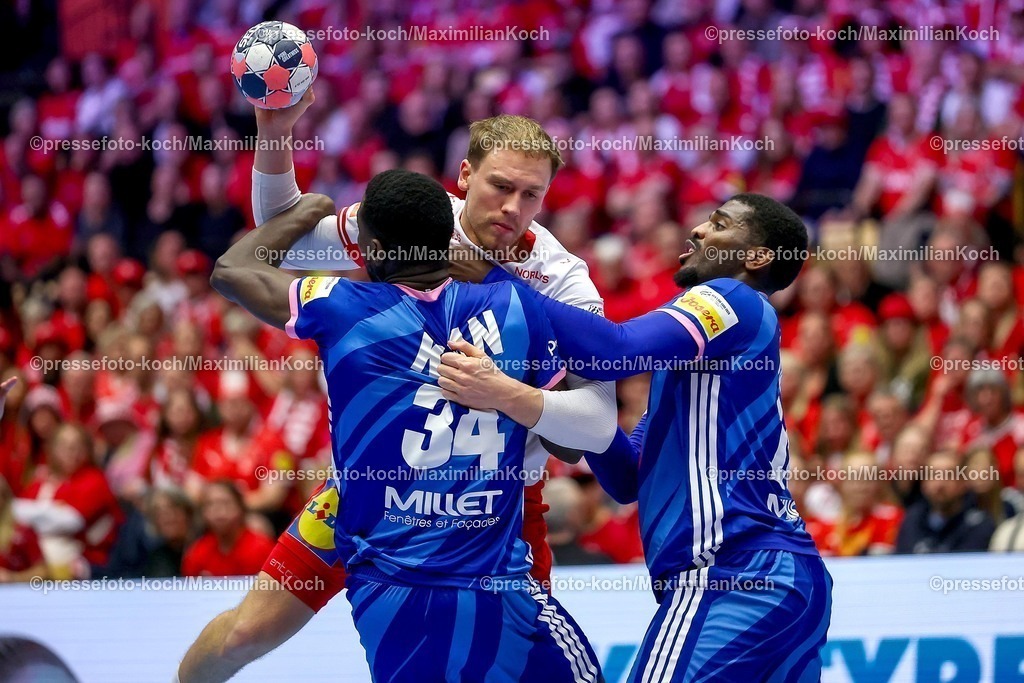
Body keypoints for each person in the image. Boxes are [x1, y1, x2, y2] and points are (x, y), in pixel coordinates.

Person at [178, 102, 615, 682]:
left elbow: (592, 428)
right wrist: (276, 132)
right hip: (365, 496)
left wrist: (508, 392)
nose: (512, 208)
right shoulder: (419, 218)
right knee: (245, 633)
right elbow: (288, 242)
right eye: (500, 186)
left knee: (505, 663)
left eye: (531, 195)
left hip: (494, 508)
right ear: (464, 177)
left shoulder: (560, 281)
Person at [438, 193, 833, 681]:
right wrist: (559, 405)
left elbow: (617, 350)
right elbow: (627, 478)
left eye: (720, 223)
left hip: (730, 572)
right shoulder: (692, 373)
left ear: (756, 257)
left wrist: (495, 279)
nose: (700, 230)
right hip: (783, 578)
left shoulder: (729, 296)